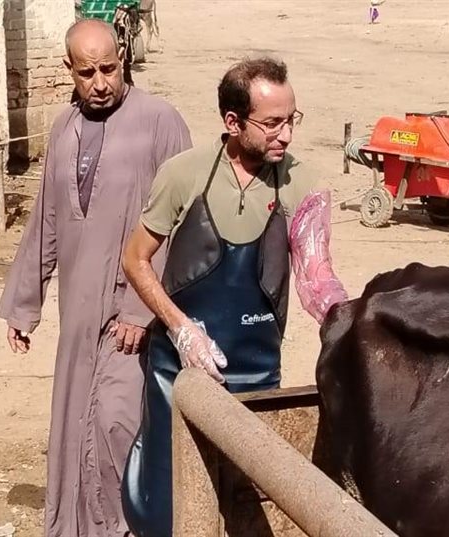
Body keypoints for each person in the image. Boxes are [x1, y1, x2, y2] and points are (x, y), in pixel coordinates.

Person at [0, 19, 191, 537]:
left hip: (134, 318)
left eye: (109, 68)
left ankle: (126, 528)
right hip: (79, 311)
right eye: (88, 73)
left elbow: (181, 224)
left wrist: (140, 310)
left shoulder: (160, 122)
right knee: (76, 421)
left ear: (122, 58)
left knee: (116, 424)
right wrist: (24, 305)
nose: (101, 82)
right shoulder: (63, 127)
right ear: (69, 70)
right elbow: (46, 220)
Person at [118, 56, 316, 537]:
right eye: (272, 123)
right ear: (233, 122)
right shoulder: (183, 175)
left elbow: (318, 272)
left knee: (246, 504)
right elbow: (135, 259)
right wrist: (182, 329)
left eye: (292, 119)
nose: (287, 135)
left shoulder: (302, 183)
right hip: (178, 372)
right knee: (169, 501)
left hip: (258, 375)